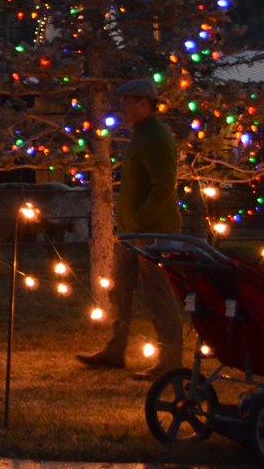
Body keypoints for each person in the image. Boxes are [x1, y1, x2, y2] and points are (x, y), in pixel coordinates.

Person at [77, 78, 184, 381]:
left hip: (154, 232)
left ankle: (170, 361)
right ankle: (115, 349)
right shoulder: (141, 135)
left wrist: (138, 220)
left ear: (143, 104)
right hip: (132, 231)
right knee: (120, 289)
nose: (121, 107)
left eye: (126, 102)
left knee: (157, 296)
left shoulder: (156, 137)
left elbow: (163, 187)